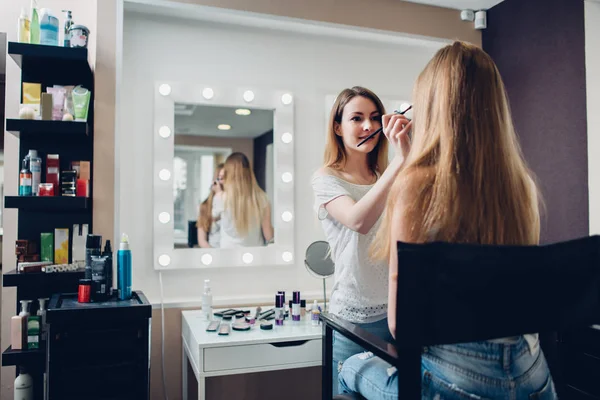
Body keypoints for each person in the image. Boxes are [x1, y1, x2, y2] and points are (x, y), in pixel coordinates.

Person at [339, 41, 557, 399]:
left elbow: (401, 326)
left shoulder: (417, 185)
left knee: (350, 366)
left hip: (459, 381)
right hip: (533, 373)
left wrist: (404, 162)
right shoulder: (522, 186)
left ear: (431, 106)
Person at [311, 86, 412, 395]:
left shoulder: (388, 174)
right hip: (352, 321)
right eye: (356, 118)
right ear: (338, 127)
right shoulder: (325, 178)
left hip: (397, 314)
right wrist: (401, 159)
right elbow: (358, 221)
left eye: (373, 118)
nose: (368, 127)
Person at [220, 152, 274, 248]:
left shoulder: (221, 197)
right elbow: (269, 235)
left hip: (227, 255)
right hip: (254, 255)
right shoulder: (262, 198)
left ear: (228, 172)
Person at [196, 164, 225, 248]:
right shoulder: (205, 206)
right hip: (213, 251)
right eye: (221, 178)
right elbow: (202, 240)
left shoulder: (235, 203)